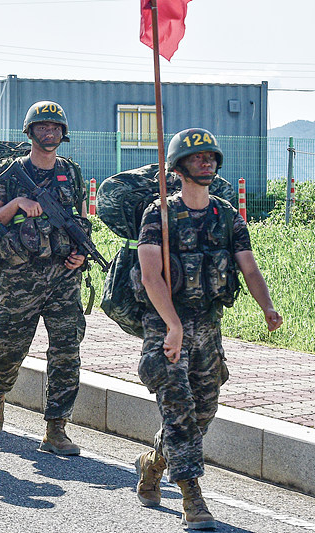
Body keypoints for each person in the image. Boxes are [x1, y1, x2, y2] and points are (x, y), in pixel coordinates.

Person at [133, 128, 282, 530]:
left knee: (203, 411)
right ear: (180, 166)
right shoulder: (159, 214)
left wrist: (267, 306)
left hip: (208, 328)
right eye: (198, 158)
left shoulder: (226, 214)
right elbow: (151, 276)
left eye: (211, 157)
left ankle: (153, 462)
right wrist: (173, 326)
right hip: (166, 328)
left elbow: (248, 266)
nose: (207, 162)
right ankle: (192, 498)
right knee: (179, 409)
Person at [0, 101, 88, 455]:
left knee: (66, 351)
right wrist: (16, 205)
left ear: (63, 133)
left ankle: (56, 428)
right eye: (42, 127)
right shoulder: (9, 172)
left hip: (62, 277)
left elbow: (81, 220)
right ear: (30, 132)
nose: (50, 132)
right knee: (10, 348)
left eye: (55, 127)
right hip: (19, 276)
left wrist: (80, 253)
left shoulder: (70, 172)